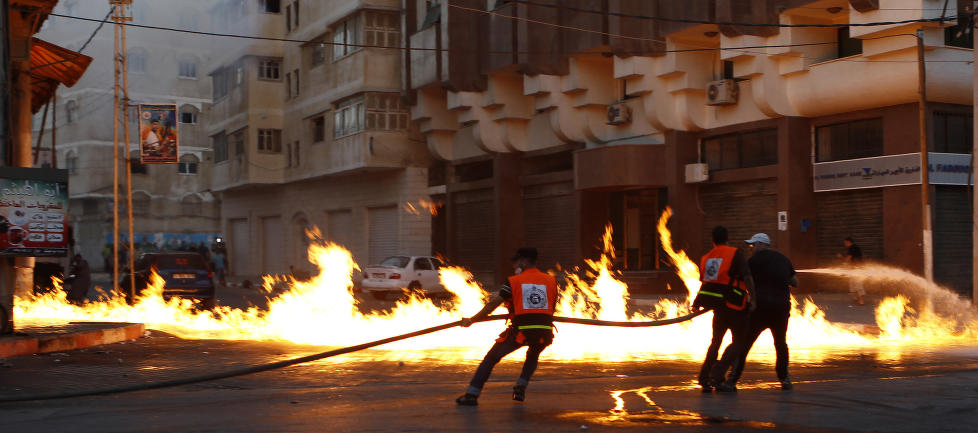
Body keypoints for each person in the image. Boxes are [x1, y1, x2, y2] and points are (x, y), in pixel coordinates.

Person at [455, 247, 557, 406]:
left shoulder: (514, 281)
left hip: (522, 331)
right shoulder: (551, 280)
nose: (515, 265)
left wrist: (472, 320)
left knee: (491, 358)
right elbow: (551, 306)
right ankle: (521, 386)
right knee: (533, 354)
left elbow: (493, 304)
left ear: (523, 261)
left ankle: (472, 395)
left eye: (517, 261)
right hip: (545, 331)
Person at [726, 233, 798, 391]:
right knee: (780, 343)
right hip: (781, 308)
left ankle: (732, 379)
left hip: (760, 308)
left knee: (744, 343)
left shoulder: (752, 261)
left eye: (753, 245)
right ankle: (784, 379)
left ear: (761, 244)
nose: (751, 248)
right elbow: (795, 282)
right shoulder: (784, 259)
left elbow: (742, 278)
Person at [693, 226, 755, 393]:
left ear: (713, 239)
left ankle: (705, 379)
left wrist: (697, 302)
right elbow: (747, 276)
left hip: (718, 307)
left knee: (715, 342)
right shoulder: (735, 253)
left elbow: (706, 282)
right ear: (727, 238)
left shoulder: (706, 257)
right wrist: (754, 298)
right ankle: (717, 372)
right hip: (735, 305)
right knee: (738, 342)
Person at [839, 237, 864, 305]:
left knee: (858, 283)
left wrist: (841, 257)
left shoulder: (852, 248)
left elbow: (847, 259)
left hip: (856, 268)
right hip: (855, 268)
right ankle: (855, 298)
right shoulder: (855, 247)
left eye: (845, 243)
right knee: (852, 282)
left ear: (848, 242)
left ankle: (861, 301)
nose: (845, 244)